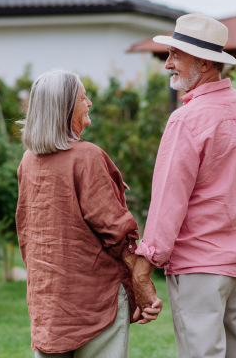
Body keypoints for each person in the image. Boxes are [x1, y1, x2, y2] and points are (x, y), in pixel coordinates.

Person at [131, 14, 236, 358]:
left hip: (198, 268)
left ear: (203, 61)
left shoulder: (186, 119)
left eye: (176, 55)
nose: (168, 63)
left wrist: (144, 268)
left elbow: (168, 202)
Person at [15, 69, 162, 358]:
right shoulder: (87, 157)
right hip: (95, 298)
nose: (90, 103)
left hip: (48, 300)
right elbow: (116, 231)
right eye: (84, 98)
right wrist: (142, 283)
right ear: (66, 107)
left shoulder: (28, 161)